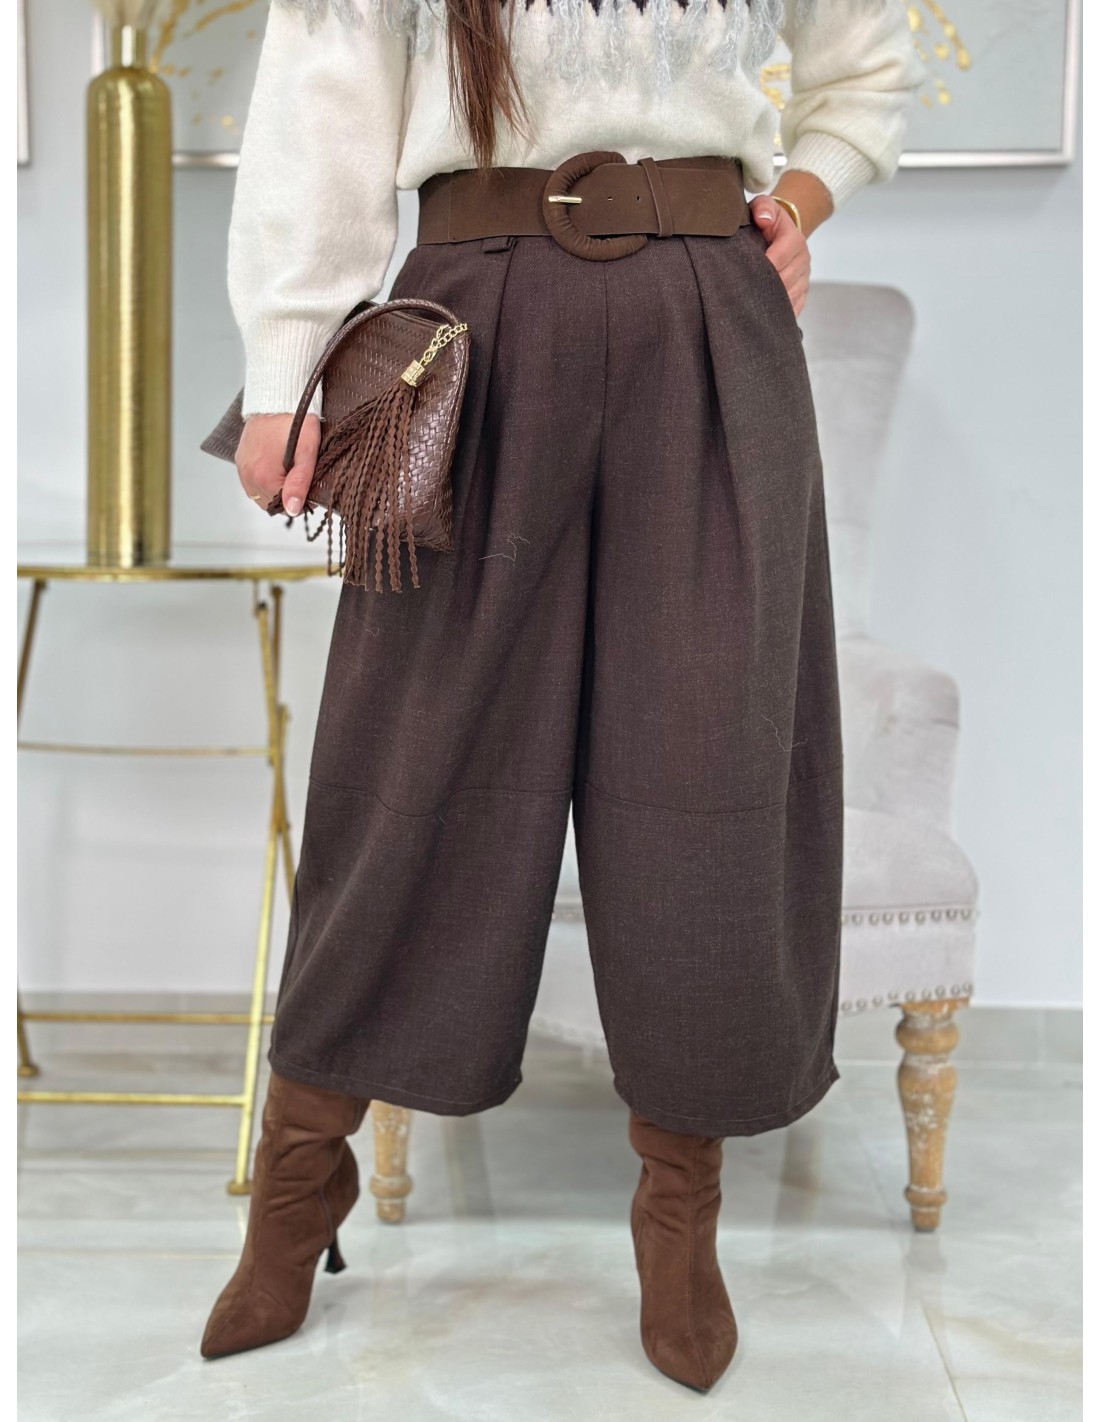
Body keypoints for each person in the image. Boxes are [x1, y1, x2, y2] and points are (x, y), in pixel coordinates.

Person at [201, 0, 921, 1391]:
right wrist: (287, 364)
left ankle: (681, 1215)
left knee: (710, 768)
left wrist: (802, 196)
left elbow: (865, 62)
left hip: (713, 320)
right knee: (406, 776)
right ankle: (298, 1185)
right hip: (467, 326)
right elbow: (323, 97)